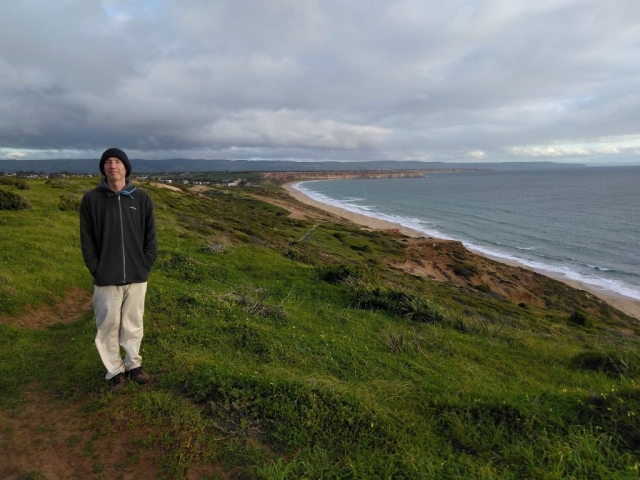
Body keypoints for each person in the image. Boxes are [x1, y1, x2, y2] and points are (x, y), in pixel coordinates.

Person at [80, 148, 158, 393]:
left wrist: (146, 262)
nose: (113, 166)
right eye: (108, 162)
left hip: (137, 275)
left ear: (126, 168)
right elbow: (87, 239)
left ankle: (133, 365)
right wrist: (95, 267)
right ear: (103, 169)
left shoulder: (142, 198)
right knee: (107, 325)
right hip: (106, 277)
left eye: (118, 162)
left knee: (133, 323)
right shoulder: (91, 199)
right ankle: (114, 371)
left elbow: (150, 236)